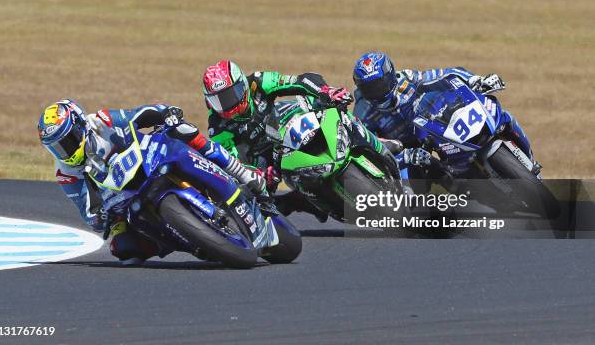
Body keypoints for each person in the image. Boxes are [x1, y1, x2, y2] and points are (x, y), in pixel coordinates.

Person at [38, 99, 266, 264]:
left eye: (67, 141)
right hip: (124, 197)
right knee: (123, 249)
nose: (63, 151)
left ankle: (240, 171)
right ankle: (193, 242)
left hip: (150, 158)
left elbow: (138, 114)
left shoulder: (101, 121)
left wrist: (164, 113)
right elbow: (88, 212)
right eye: (56, 148)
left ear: (80, 127)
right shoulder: (66, 172)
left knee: (182, 131)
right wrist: (103, 218)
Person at [203, 60, 396, 221]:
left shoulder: (258, 82)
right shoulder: (218, 128)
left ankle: (371, 140)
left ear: (242, 84)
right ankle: (303, 201)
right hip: (268, 156)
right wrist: (260, 173)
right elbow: (234, 164)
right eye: (219, 101)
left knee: (326, 104)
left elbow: (299, 80)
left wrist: (326, 91)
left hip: (289, 121)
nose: (228, 105)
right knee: (261, 197)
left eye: (231, 95)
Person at [352, 51, 536, 186]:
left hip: (434, 129)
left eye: (379, 85)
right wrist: (402, 155)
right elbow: (366, 142)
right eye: (369, 89)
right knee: (409, 191)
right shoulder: (363, 109)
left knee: (505, 118)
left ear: (390, 75)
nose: (376, 92)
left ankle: (531, 161)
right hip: (408, 151)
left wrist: (476, 80)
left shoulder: (406, 79)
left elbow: (445, 74)